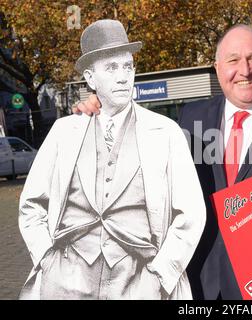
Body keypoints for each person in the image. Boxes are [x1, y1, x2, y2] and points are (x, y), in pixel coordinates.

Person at [74, 24, 252, 300]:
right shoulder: (192, 119)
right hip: (200, 282)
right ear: (218, 68)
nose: (244, 70)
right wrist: (101, 117)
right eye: (233, 60)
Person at [18, 19, 206, 300]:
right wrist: (47, 259)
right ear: (91, 78)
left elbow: (191, 213)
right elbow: (31, 204)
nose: (123, 77)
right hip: (66, 282)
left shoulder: (166, 133)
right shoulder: (64, 131)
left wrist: (160, 275)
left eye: (128, 67)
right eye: (111, 68)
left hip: (140, 283)